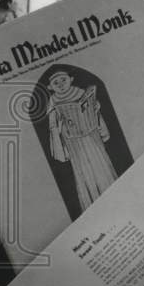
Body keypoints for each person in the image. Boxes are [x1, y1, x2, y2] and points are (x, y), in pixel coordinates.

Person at [46, 69, 118, 211]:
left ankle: (114, 198)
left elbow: (91, 109)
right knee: (84, 172)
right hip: (73, 141)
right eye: (56, 83)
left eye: (63, 80)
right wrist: (58, 126)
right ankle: (93, 205)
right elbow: (53, 123)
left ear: (71, 79)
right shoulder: (53, 100)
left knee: (100, 164)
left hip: (91, 135)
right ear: (50, 87)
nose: (60, 84)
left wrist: (95, 108)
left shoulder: (80, 92)